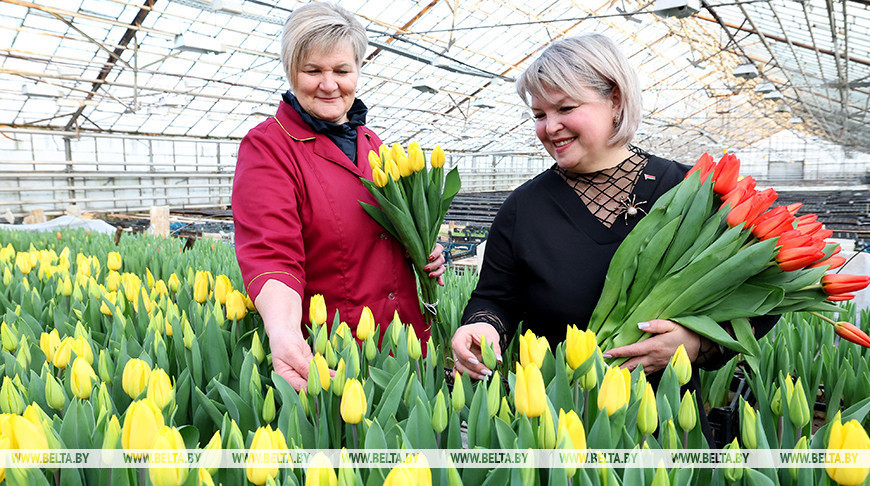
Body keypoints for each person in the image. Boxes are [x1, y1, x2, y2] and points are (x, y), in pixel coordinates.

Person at [450, 34, 777, 445]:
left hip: (666, 427)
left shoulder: (691, 191)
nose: (550, 127)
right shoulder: (524, 208)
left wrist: (695, 344)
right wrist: (480, 327)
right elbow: (494, 297)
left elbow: (762, 297)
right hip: (557, 425)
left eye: (566, 108)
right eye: (538, 114)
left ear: (616, 101)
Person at [233, 2, 446, 391]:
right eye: (313, 70)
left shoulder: (372, 144)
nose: (329, 84)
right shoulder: (269, 146)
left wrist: (423, 249)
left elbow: (385, 232)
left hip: (409, 342)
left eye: (342, 71)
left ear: (358, 72)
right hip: (336, 352)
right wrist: (282, 331)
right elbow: (271, 253)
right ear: (290, 71)